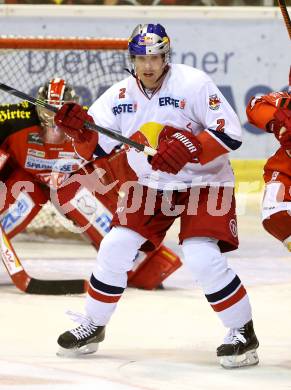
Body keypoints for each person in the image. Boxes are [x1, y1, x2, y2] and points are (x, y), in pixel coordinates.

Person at [55, 23, 259, 368]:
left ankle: (242, 331)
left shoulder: (193, 83)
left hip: (204, 184)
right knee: (115, 246)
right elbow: (96, 149)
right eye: (140, 58)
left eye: (155, 57)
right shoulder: (120, 95)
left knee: (200, 255)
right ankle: (93, 324)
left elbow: (231, 132)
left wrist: (192, 147)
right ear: (131, 59)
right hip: (151, 186)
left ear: (167, 56)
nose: (148, 66)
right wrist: (80, 132)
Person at [0, 77, 180, 291]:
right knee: (25, 196)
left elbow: (119, 166)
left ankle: (139, 261)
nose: (53, 122)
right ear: (36, 108)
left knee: (76, 197)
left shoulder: (92, 123)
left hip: (73, 181)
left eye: (59, 115)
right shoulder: (13, 119)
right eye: (47, 113)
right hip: (27, 179)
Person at [246, 70, 291, 251]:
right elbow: (256, 105)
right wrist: (276, 120)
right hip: (286, 170)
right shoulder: (287, 102)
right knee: (276, 215)